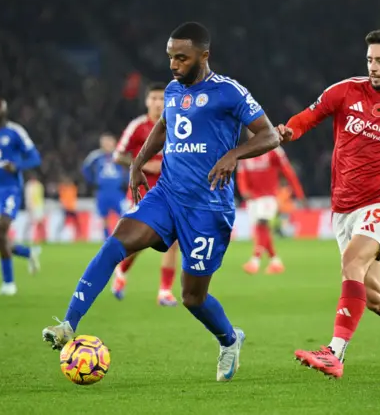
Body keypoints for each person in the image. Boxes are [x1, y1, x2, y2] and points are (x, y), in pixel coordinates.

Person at [42, 22, 280, 382]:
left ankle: (230, 339)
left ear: (204, 56)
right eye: (170, 57)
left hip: (208, 208)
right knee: (114, 245)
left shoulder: (229, 92)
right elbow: (165, 127)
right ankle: (68, 325)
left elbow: (270, 135)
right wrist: (138, 162)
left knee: (193, 298)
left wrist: (234, 155)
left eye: (182, 58)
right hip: (167, 194)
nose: (173, 65)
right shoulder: (172, 90)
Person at [277, 30, 380, 378]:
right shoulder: (345, 90)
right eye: (370, 60)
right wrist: (290, 131)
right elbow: (309, 116)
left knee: (352, 262)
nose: (373, 67)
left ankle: (334, 353)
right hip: (343, 207)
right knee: (377, 298)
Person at [110, 82, 179, 305]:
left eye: (162, 99)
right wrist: (143, 166)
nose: (159, 103)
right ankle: (121, 271)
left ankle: (165, 291)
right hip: (143, 190)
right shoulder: (138, 126)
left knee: (174, 240)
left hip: (171, 189)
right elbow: (118, 155)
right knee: (141, 240)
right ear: (147, 101)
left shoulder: (177, 124)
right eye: (154, 98)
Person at [0, 97, 42, 295]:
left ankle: (9, 284)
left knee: (1, 230)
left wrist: (17, 166)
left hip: (10, 189)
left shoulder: (15, 132)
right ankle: (28, 253)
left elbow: (35, 157)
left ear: (5, 110)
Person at [236, 140, 305, 274]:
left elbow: (287, 171)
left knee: (262, 223)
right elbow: (241, 174)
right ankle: (275, 261)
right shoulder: (246, 150)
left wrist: (299, 192)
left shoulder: (273, 149)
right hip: (253, 198)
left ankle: (254, 261)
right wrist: (244, 190)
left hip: (269, 196)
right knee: (261, 230)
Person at [82, 134, 128, 240]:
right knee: (104, 217)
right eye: (105, 142)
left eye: (109, 142)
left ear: (114, 142)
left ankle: (122, 236)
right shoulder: (96, 156)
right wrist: (93, 180)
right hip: (102, 191)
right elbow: (85, 168)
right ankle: (107, 238)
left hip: (117, 191)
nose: (107, 144)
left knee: (124, 215)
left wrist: (126, 181)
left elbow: (130, 167)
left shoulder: (120, 155)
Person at [25, 172, 46, 244]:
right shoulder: (29, 186)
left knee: (40, 223)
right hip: (32, 207)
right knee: (33, 224)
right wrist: (29, 206)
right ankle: (33, 238)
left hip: (39, 206)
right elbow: (28, 197)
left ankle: (42, 238)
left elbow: (41, 196)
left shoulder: (39, 185)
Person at [57, 176, 80, 241]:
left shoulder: (72, 188)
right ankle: (59, 234)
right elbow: (61, 191)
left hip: (71, 208)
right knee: (64, 223)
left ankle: (79, 235)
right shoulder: (64, 189)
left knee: (76, 222)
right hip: (66, 208)